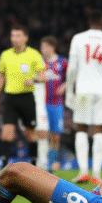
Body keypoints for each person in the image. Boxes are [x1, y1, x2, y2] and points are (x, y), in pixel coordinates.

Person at [65, 10, 102, 183]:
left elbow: (72, 68)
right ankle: (96, 174)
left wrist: (69, 90)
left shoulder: (78, 39)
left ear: (89, 23)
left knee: (81, 128)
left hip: (83, 88)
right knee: (99, 130)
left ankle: (83, 172)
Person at [0, 25, 46, 169]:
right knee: (6, 134)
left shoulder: (34, 54)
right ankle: (3, 169)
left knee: (30, 134)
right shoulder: (5, 55)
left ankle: (34, 167)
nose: (14, 39)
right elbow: (1, 76)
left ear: (26, 38)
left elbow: (43, 76)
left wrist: (33, 80)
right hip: (10, 99)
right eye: (13, 36)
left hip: (27, 98)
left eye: (18, 36)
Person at [39, 35, 68, 171]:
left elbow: (72, 76)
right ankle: (43, 162)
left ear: (52, 47)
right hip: (42, 104)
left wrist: (64, 86)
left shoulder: (63, 62)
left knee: (55, 135)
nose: (42, 49)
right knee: (43, 133)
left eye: (44, 47)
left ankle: (51, 163)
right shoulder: (39, 62)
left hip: (57, 104)